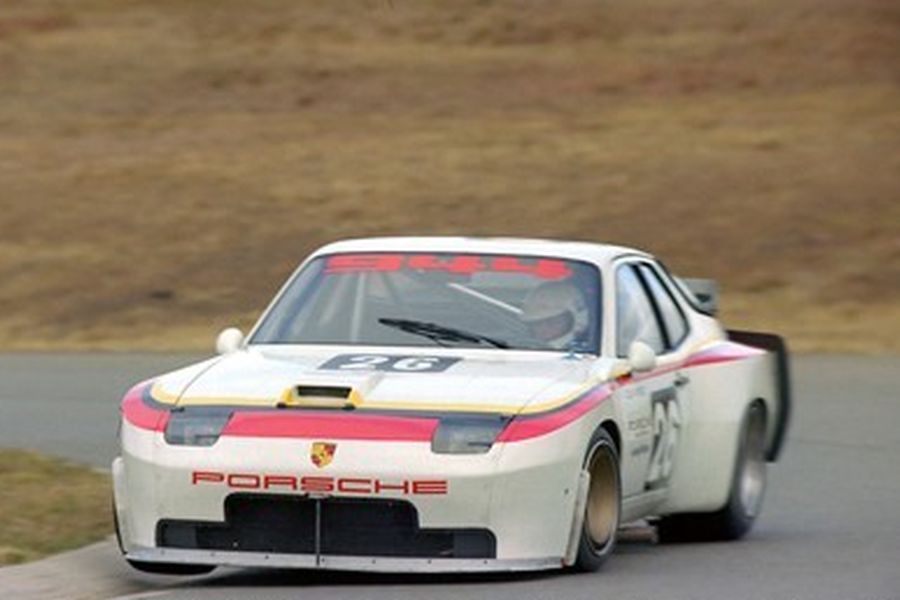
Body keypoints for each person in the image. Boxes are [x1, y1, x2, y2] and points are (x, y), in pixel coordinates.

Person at [521, 280, 590, 350]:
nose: (542, 328)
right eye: (537, 323)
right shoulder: (521, 349)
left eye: (552, 322)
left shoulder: (584, 356)